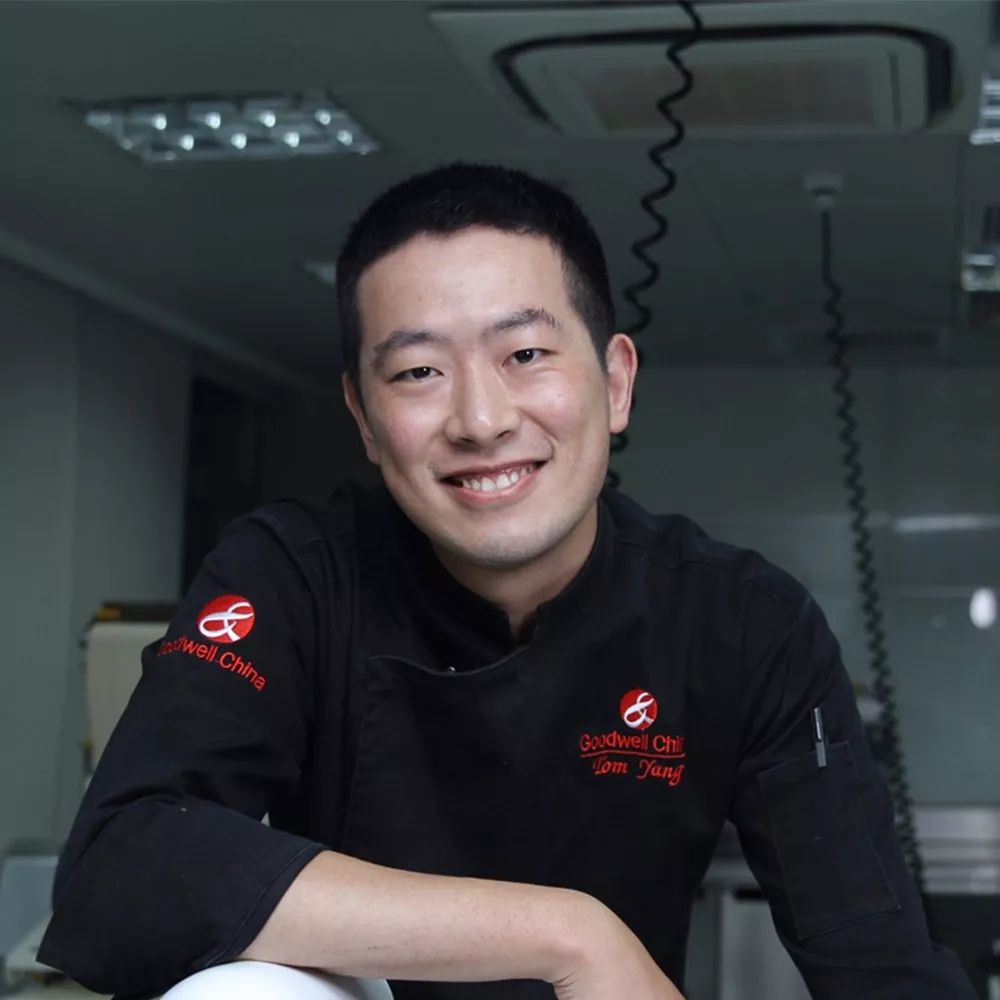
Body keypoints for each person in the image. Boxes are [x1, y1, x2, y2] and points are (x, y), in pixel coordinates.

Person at [38, 164, 975, 1000]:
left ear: (615, 382)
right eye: (418, 371)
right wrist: (568, 935)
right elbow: (121, 871)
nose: (480, 420)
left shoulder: (741, 623)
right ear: (364, 420)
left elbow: (882, 966)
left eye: (525, 354)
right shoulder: (295, 575)